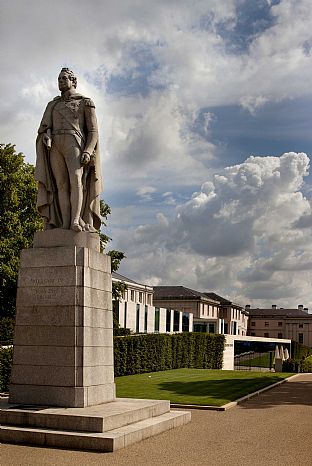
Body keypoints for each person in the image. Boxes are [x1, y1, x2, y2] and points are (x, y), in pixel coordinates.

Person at [35, 68, 102, 232]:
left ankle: (75, 221)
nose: (61, 81)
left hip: (75, 143)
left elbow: (93, 131)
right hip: (55, 145)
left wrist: (87, 151)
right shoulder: (53, 105)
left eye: (64, 78)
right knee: (61, 185)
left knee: (76, 181)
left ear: (73, 81)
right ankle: (64, 224)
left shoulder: (86, 102)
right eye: (59, 79)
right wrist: (45, 135)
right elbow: (44, 128)